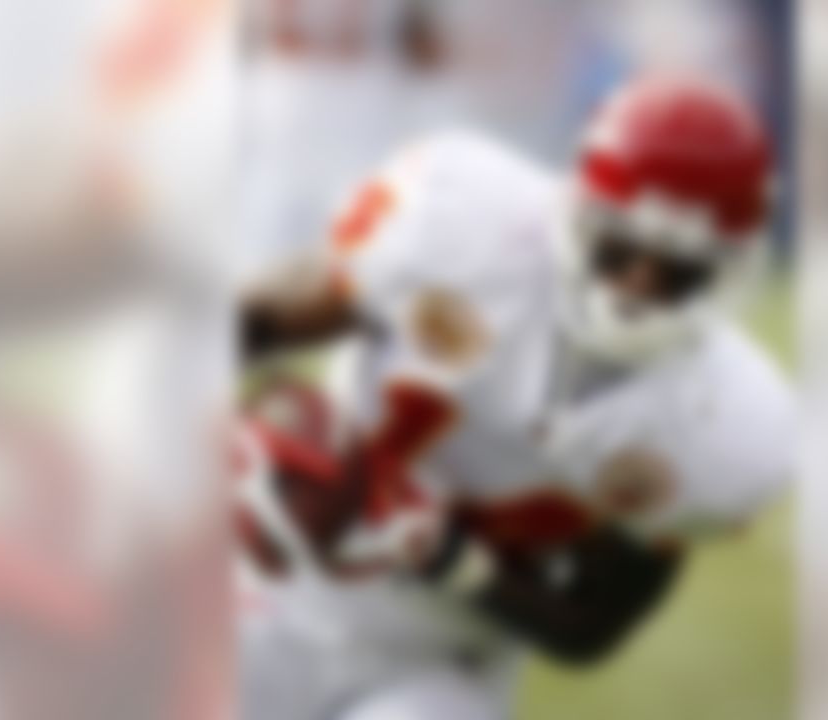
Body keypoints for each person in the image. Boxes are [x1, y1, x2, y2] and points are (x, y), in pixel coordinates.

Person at [236, 76, 794, 720]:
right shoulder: (454, 219)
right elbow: (261, 319)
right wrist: (249, 432)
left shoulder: (726, 425)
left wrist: (448, 559)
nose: (638, 287)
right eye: (619, 249)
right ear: (578, 206)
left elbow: (590, 627)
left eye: (680, 269)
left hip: (438, 660)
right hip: (276, 588)